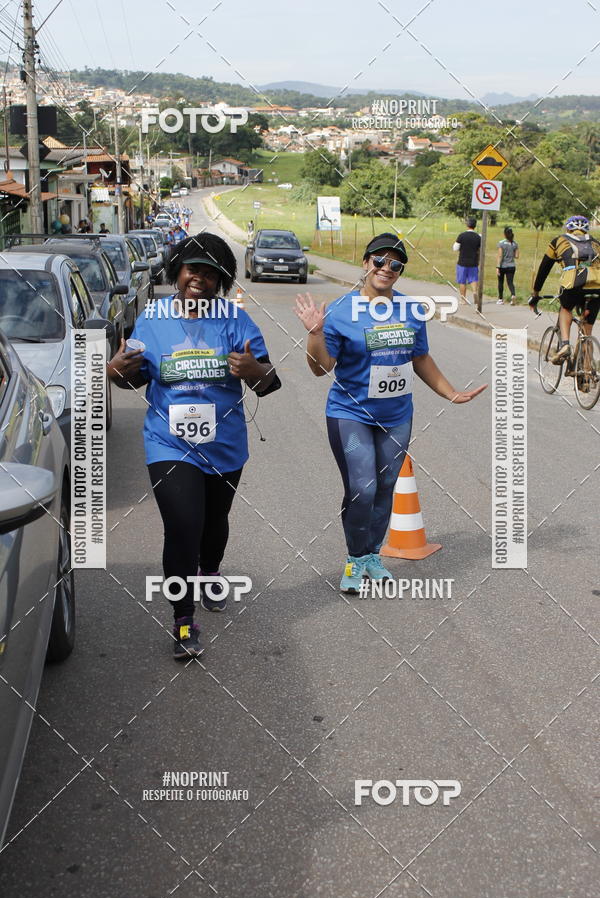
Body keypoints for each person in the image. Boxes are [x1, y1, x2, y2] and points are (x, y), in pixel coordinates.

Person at [107, 233, 281, 658]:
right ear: (177, 273)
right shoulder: (154, 318)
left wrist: (254, 369)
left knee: (214, 521)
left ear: (220, 279)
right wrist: (116, 372)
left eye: (209, 271)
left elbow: (270, 383)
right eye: (191, 269)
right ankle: (183, 621)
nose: (198, 278)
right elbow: (134, 377)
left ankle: (211, 571)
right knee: (183, 525)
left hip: (224, 444)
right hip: (169, 442)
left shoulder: (236, 320)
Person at [294, 233, 486, 593]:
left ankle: (371, 555)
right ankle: (354, 559)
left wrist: (451, 393)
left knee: (385, 488)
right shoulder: (340, 311)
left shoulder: (411, 310)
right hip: (350, 413)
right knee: (362, 488)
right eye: (379, 261)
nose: (387, 268)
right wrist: (315, 334)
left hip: (397, 415)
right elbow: (320, 369)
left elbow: (421, 358)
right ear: (366, 264)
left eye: (395, 264)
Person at [529, 215, 600, 364]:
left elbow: (544, 268)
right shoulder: (596, 243)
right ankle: (587, 371)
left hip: (574, 283)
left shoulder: (558, 241)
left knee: (565, 309)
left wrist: (536, 292)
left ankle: (565, 345)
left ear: (568, 228)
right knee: (587, 330)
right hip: (597, 287)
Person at [453, 217, 481, 304]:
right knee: (473, 279)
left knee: (462, 281)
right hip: (473, 262)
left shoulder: (462, 236)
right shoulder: (478, 237)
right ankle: (475, 292)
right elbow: (480, 249)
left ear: (467, 225)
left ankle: (463, 299)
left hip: (462, 262)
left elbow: (455, 248)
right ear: (475, 226)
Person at [496, 226, 519, 305]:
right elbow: (517, 256)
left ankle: (500, 299)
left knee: (500, 282)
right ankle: (513, 295)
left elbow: (500, 256)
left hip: (503, 266)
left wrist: (498, 267)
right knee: (510, 282)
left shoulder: (501, 243)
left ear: (504, 234)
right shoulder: (515, 243)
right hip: (511, 266)